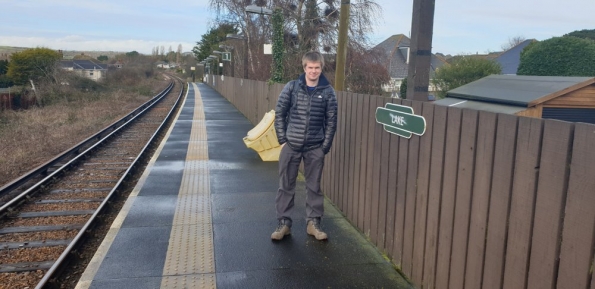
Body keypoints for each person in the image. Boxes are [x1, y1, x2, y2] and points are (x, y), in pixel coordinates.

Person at [271, 51, 338, 241]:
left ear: (321, 68)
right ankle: (284, 223)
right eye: (310, 67)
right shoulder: (292, 87)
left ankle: (313, 223)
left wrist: (324, 147)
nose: (314, 71)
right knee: (286, 185)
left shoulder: (328, 92)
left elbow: (332, 122)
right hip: (291, 144)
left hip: (315, 147)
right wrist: (283, 140)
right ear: (304, 68)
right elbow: (279, 113)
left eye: (317, 68)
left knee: (314, 187)